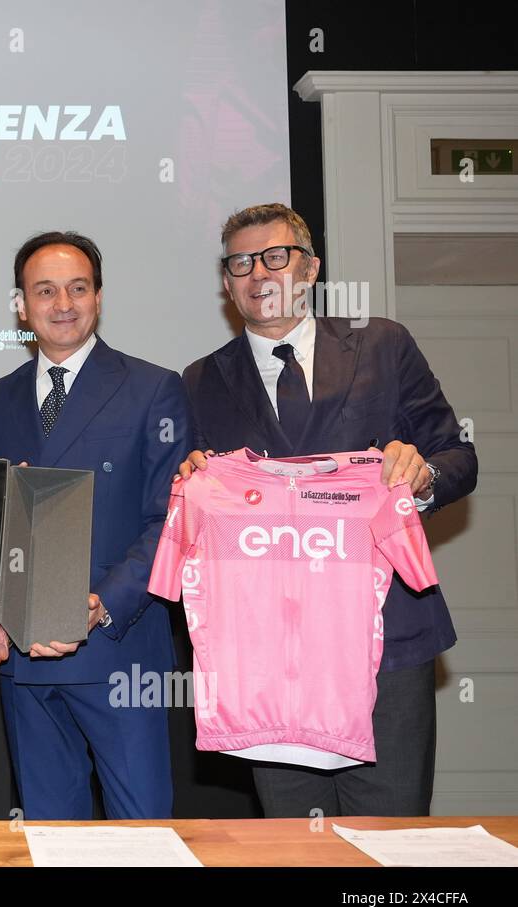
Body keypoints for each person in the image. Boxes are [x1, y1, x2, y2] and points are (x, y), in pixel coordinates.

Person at [177, 203, 477, 816]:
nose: (258, 272)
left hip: (386, 641)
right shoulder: (200, 380)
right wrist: (190, 481)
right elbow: (200, 514)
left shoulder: (382, 343)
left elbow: (459, 455)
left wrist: (420, 478)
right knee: (293, 844)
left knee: (391, 846)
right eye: (240, 262)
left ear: (311, 268)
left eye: (275, 256)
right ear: (227, 283)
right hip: (267, 658)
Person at [0, 231, 191, 820]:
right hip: (24, 655)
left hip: (119, 648)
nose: (63, 303)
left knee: (143, 838)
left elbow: (170, 520)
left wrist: (102, 604)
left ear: (99, 296)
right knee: (49, 833)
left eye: (78, 288)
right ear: (21, 305)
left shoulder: (154, 388)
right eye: (45, 290)